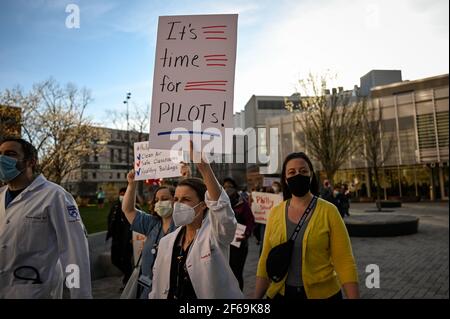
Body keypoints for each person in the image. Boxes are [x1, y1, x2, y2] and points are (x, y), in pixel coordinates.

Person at [254, 152, 359, 299]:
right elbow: (264, 259)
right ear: (285, 179)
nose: (298, 175)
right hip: (281, 293)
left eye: (303, 171)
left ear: (311, 176)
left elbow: (344, 260)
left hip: (324, 294)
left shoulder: (329, 211)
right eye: (292, 172)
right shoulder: (275, 213)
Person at [150, 141, 243, 299]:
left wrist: (204, 169)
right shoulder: (167, 242)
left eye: (186, 199)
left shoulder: (216, 235)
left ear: (204, 205)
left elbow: (221, 208)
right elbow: (157, 288)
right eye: (176, 199)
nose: (179, 204)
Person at [0, 138, 91, 298]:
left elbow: (74, 253)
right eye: (0, 154)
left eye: (10, 154)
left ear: (31, 161)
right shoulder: (1, 196)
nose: (2, 159)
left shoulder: (55, 196)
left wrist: (79, 294)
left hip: (36, 293)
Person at [122, 174, 177, 299]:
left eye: (164, 199)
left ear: (175, 200)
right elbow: (128, 209)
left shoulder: (182, 226)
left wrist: (186, 178)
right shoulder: (151, 223)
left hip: (171, 290)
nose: (159, 202)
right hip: (147, 288)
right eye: (157, 200)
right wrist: (132, 184)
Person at [225, 182, 255, 291]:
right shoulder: (221, 205)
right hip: (225, 245)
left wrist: (246, 234)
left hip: (239, 245)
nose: (227, 189)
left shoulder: (243, 205)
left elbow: (250, 222)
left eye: (229, 187)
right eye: (225, 187)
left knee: (236, 272)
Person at [106, 187, 133, 289]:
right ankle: (129, 275)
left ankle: (127, 282)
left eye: (124, 194)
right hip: (116, 238)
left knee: (126, 260)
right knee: (115, 259)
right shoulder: (116, 206)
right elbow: (110, 219)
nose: (122, 196)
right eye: (121, 194)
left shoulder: (133, 206)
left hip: (127, 239)